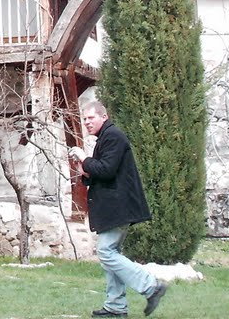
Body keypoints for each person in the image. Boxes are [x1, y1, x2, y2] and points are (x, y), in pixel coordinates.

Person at [69, 101, 168, 318]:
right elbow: (102, 171)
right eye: (84, 119)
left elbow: (106, 170)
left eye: (91, 118)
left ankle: (151, 286)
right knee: (111, 253)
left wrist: (85, 159)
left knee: (105, 252)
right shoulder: (105, 138)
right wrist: (86, 171)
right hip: (113, 209)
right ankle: (115, 307)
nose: (86, 122)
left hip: (118, 208)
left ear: (104, 117)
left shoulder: (113, 136)